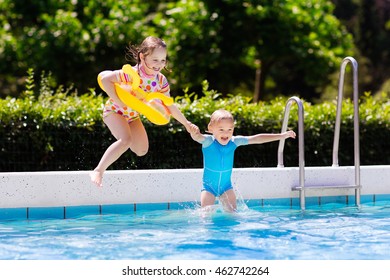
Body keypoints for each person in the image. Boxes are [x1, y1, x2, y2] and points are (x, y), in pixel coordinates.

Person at [91, 36, 197, 187]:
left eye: (163, 60)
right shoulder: (131, 74)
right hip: (114, 111)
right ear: (142, 56)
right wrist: (118, 99)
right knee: (125, 140)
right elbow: (105, 79)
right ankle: (99, 170)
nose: (159, 65)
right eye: (155, 60)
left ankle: (120, 149)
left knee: (141, 150)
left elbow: (170, 105)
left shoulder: (161, 81)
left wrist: (186, 124)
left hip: (132, 116)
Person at [189, 109, 296, 212]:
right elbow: (198, 137)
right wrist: (194, 134)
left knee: (233, 215)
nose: (226, 133)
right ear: (211, 128)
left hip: (226, 187)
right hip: (209, 188)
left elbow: (257, 139)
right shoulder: (208, 142)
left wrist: (282, 136)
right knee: (205, 216)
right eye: (221, 129)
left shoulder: (234, 142)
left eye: (229, 129)